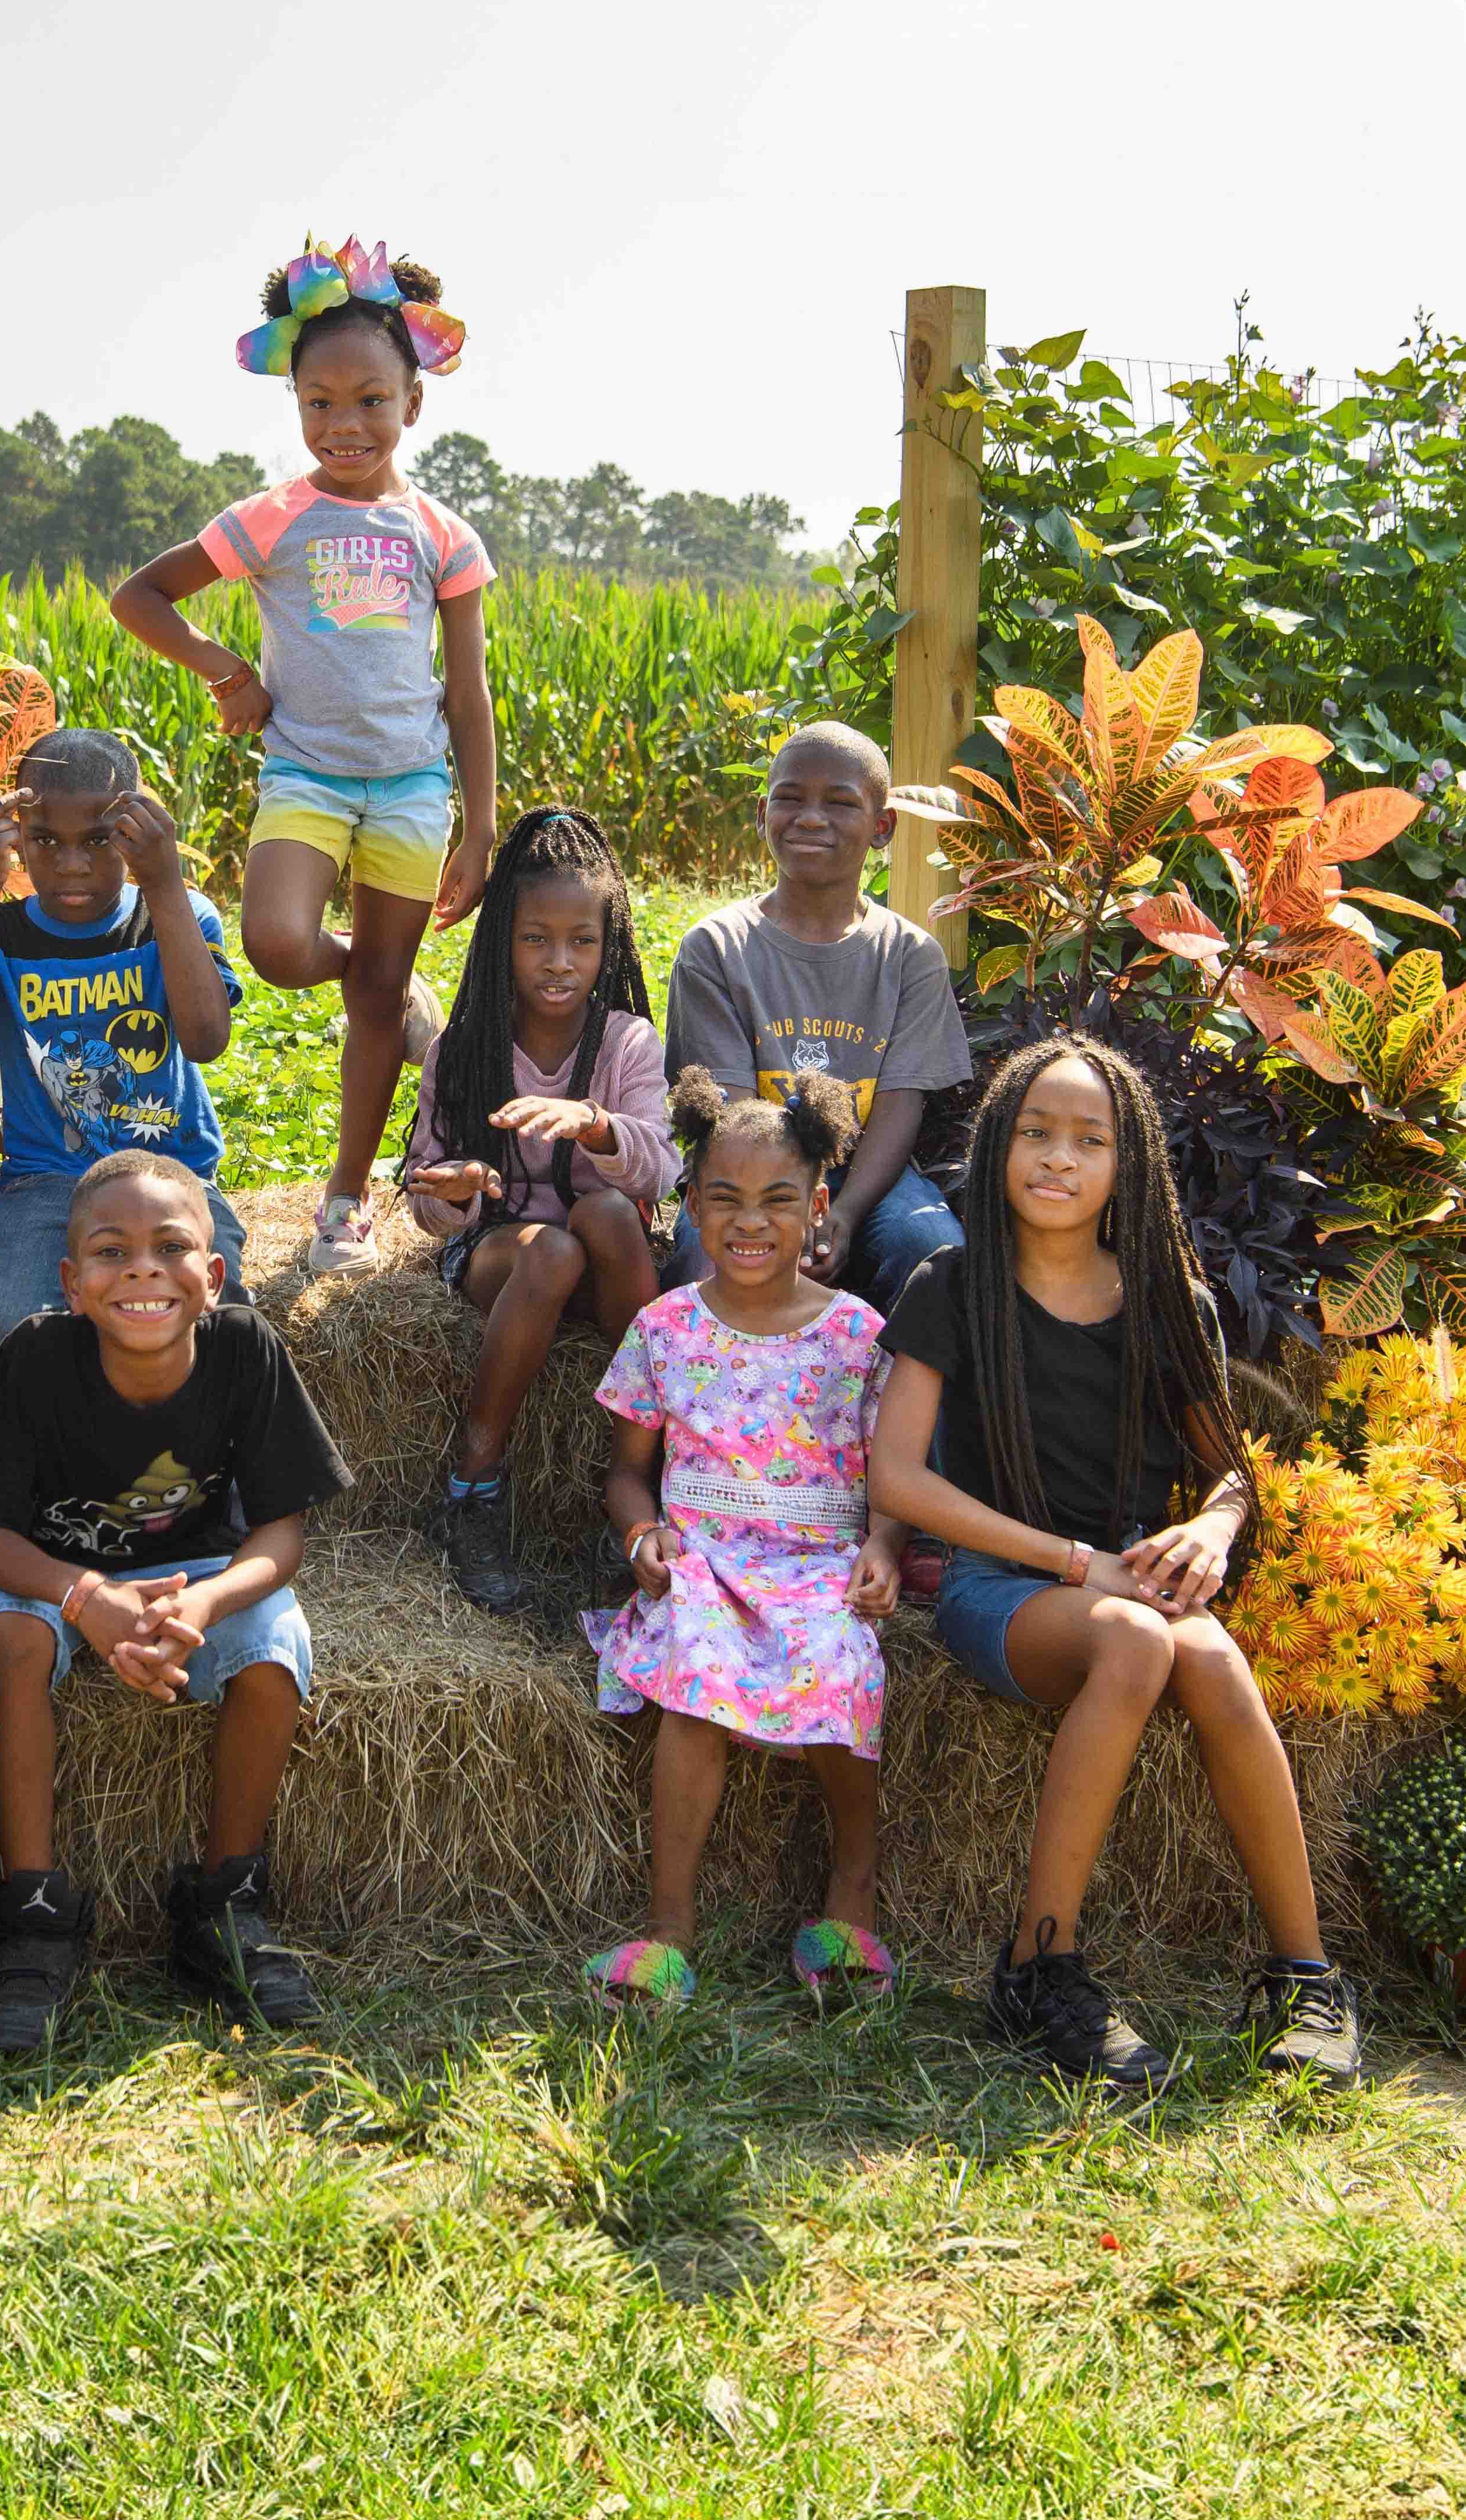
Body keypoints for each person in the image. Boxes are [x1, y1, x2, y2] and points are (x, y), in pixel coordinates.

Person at [870, 1034, 1362, 2091]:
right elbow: (897, 1481)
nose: (1057, 1157)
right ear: (999, 1144)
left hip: (1126, 1580)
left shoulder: (1163, 1300)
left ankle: (1306, 1976)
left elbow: (1233, 1474)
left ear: (1124, 1164)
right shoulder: (951, 1285)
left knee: (1215, 1663)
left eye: (1087, 1139)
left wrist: (1210, 1531)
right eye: (1035, 1133)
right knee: (1139, 1639)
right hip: (1003, 1587)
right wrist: (1072, 1561)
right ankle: (1038, 1964)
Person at [111, 235, 495, 1278]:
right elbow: (139, 596)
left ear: (411, 403)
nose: (343, 425)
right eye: (317, 404)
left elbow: (466, 690)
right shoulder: (271, 518)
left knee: (373, 999)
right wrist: (224, 669)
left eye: (369, 400)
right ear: (293, 408)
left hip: (413, 787)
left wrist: (482, 822)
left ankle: (341, 1203)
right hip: (306, 777)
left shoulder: (442, 535)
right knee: (281, 946)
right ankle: (382, 988)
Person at [0, 1149, 351, 2049]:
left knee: (274, 1644)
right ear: (69, 1280)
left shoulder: (247, 1347)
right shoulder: (32, 1357)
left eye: (169, 1245)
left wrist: (205, 1606)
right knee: (10, 1641)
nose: (140, 1268)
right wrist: (86, 1595)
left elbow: (279, 1538)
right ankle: (36, 1910)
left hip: (196, 1575)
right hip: (50, 1579)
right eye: (110, 1251)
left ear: (213, 1277)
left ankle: (225, 1899)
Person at [582, 1066, 905, 2009]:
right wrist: (641, 1532)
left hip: (817, 1565)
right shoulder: (665, 1327)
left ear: (817, 1208)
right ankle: (667, 1929)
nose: (748, 1221)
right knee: (696, 1671)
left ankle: (851, 1896)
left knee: (838, 1657)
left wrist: (882, 1545)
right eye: (722, 1198)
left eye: (776, 1200)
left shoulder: (856, 1334)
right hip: (705, 1563)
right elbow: (625, 1471)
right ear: (688, 1205)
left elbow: (891, 1472)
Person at [0, 727, 248, 1367]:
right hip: (45, 1184)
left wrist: (166, 885)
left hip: (171, 1173)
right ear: (18, 835)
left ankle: (214, 1469)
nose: (71, 865)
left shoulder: (176, 912)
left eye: (98, 839)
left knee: (218, 1327)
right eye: (45, 841)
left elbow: (206, 1039)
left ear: (135, 828)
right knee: (2, 1329)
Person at [404, 808, 677, 1612]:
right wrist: (450, 1189)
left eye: (580, 941)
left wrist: (594, 1124)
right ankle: (471, 1486)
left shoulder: (625, 1042)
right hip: (504, 1252)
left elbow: (660, 1165)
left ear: (609, 942)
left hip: (609, 1263)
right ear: (502, 941)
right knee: (550, 1250)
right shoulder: (465, 1045)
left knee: (605, 1214)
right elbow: (425, 1184)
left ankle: (654, 1477)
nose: (559, 962)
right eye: (535, 939)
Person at [664, 721, 970, 1314]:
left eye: (839, 802)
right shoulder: (715, 949)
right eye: (789, 798)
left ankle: (909, 1408)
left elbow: (899, 1102)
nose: (809, 817)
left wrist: (846, 1212)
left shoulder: (909, 957)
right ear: (761, 813)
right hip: (738, 1174)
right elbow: (726, 1115)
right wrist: (784, 1209)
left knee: (931, 1252)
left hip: (868, 1180)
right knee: (705, 1262)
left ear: (882, 827)